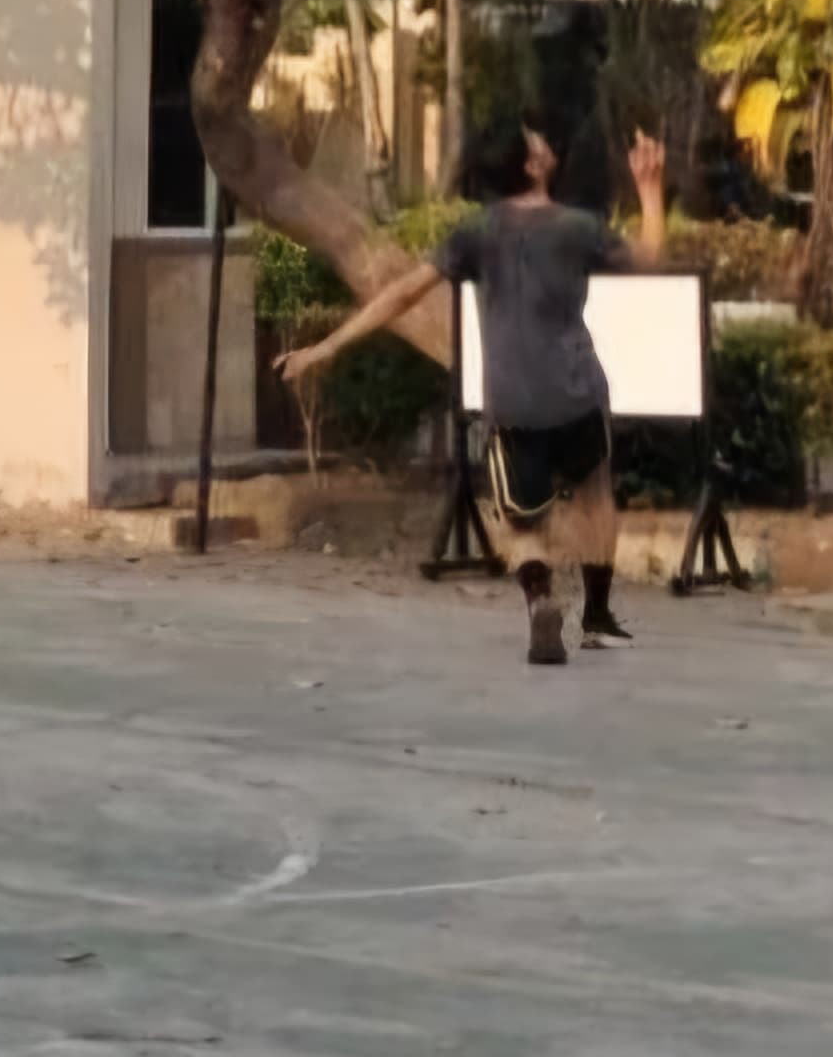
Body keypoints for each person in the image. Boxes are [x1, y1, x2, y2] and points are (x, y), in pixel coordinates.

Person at [280, 123, 667, 666]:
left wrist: (328, 346)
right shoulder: (579, 228)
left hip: (514, 402)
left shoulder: (474, 234)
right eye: (535, 140)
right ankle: (598, 616)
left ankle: (539, 599)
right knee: (596, 495)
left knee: (519, 523)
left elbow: (402, 294)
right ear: (531, 167)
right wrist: (650, 188)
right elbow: (649, 260)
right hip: (578, 392)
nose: (544, 140)